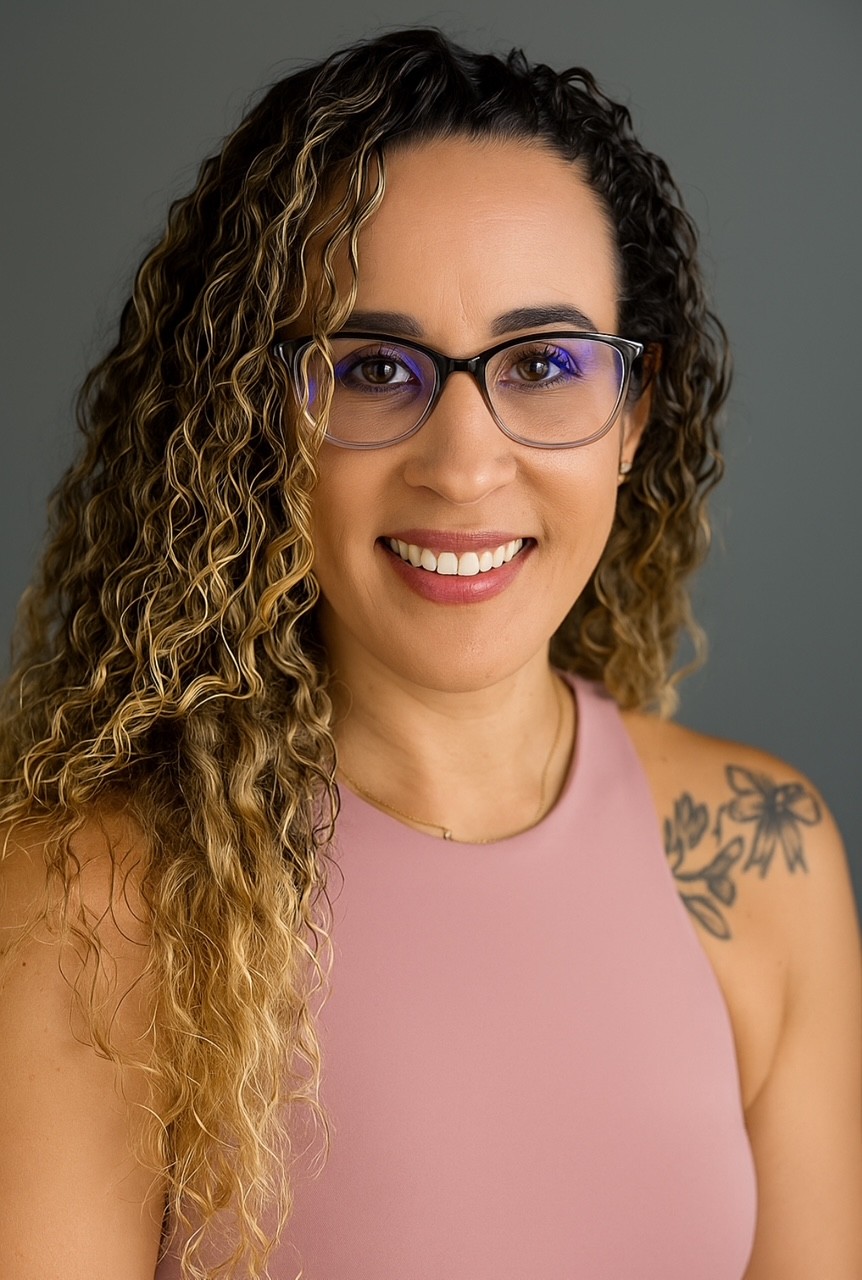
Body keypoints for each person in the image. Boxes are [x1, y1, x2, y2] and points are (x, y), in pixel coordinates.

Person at [0, 25, 859, 1280]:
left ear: (633, 413)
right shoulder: (89, 905)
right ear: (259, 417)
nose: (462, 464)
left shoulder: (765, 854)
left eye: (545, 362)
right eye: (371, 367)